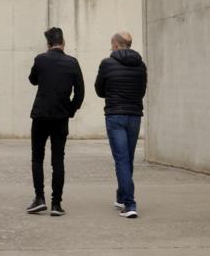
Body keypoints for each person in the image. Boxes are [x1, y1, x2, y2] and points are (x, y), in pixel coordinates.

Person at [26, 26, 85, 216]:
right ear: (64, 43)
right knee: (58, 160)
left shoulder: (41, 59)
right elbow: (80, 92)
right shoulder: (72, 62)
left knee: (37, 157)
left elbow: (33, 80)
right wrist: (71, 110)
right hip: (61, 117)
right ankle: (56, 204)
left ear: (48, 44)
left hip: (41, 115)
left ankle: (39, 198)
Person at [94, 31, 147, 219]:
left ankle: (130, 203)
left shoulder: (107, 64)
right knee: (127, 158)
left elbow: (99, 90)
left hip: (115, 115)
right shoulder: (141, 65)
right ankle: (121, 196)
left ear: (116, 44)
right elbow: (142, 90)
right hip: (134, 115)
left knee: (121, 159)